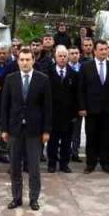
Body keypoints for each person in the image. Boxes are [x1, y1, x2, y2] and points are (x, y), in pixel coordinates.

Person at [1, 50, 51, 210]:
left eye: (27, 59)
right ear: (17, 61)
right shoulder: (10, 79)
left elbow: (47, 108)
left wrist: (46, 131)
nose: (24, 62)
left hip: (34, 130)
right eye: (21, 59)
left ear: (33, 60)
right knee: (15, 166)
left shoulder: (42, 80)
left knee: (34, 167)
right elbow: (5, 106)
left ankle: (34, 198)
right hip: (15, 129)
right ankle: (16, 198)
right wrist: (4, 129)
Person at [44, 45, 79, 173]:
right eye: (60, 56)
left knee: (66, 141)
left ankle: (64, 164)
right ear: (55, 57)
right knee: (52, 141)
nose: (63, 58)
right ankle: (52, 164)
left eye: (65, 56)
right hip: (53, 113)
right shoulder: (47, 73)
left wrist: (75, 113)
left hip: (68, 114)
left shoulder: (74, 74)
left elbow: (77, 95)